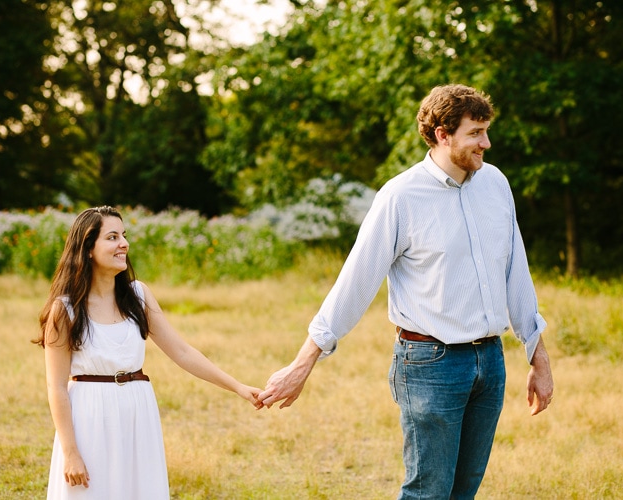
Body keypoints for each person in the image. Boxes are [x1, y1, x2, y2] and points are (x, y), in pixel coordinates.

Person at [257, 84, 554, 499]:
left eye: (486, 131)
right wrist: (302, 363)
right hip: (430, 365)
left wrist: (537, 356)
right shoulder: (400, 197)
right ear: (442, 134)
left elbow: (516, 272)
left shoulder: (495, 184)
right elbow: (355, 283)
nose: (486, 143)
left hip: (490, 361)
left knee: (463, 491)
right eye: (476, 133)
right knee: (428, 492)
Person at [34, 206, 261, 499]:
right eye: (112, 237)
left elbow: (182, 351)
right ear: (88, 248)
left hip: (137, 411)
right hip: (90, 417)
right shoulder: (64, 310)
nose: (124, 244)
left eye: (124, 235)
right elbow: (56, 387)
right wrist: (70, 452)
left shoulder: (138, 295)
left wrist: (238, 387)